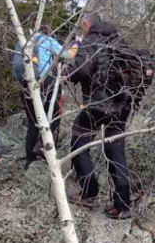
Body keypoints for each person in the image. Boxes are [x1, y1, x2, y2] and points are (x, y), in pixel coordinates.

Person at [65, 16, 139, 219]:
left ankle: (89, 194)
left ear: (87, 24)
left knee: (79, 143)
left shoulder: (91, 40)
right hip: (122, 105)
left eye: (82, 25)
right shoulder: (118, 40)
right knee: (116, 151)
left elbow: (82, 70)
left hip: (98, 105)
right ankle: (123, 205)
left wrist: (65, 72)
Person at [15, 25, 64, 169]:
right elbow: (67, 54)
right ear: (48, 31)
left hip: (26, 85)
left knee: (33, 123)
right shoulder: (48, 41)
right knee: (54, 115)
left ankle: (29, 159)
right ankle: (41, 147)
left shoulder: (23, 42)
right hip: (44, 84)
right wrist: (77, 43)